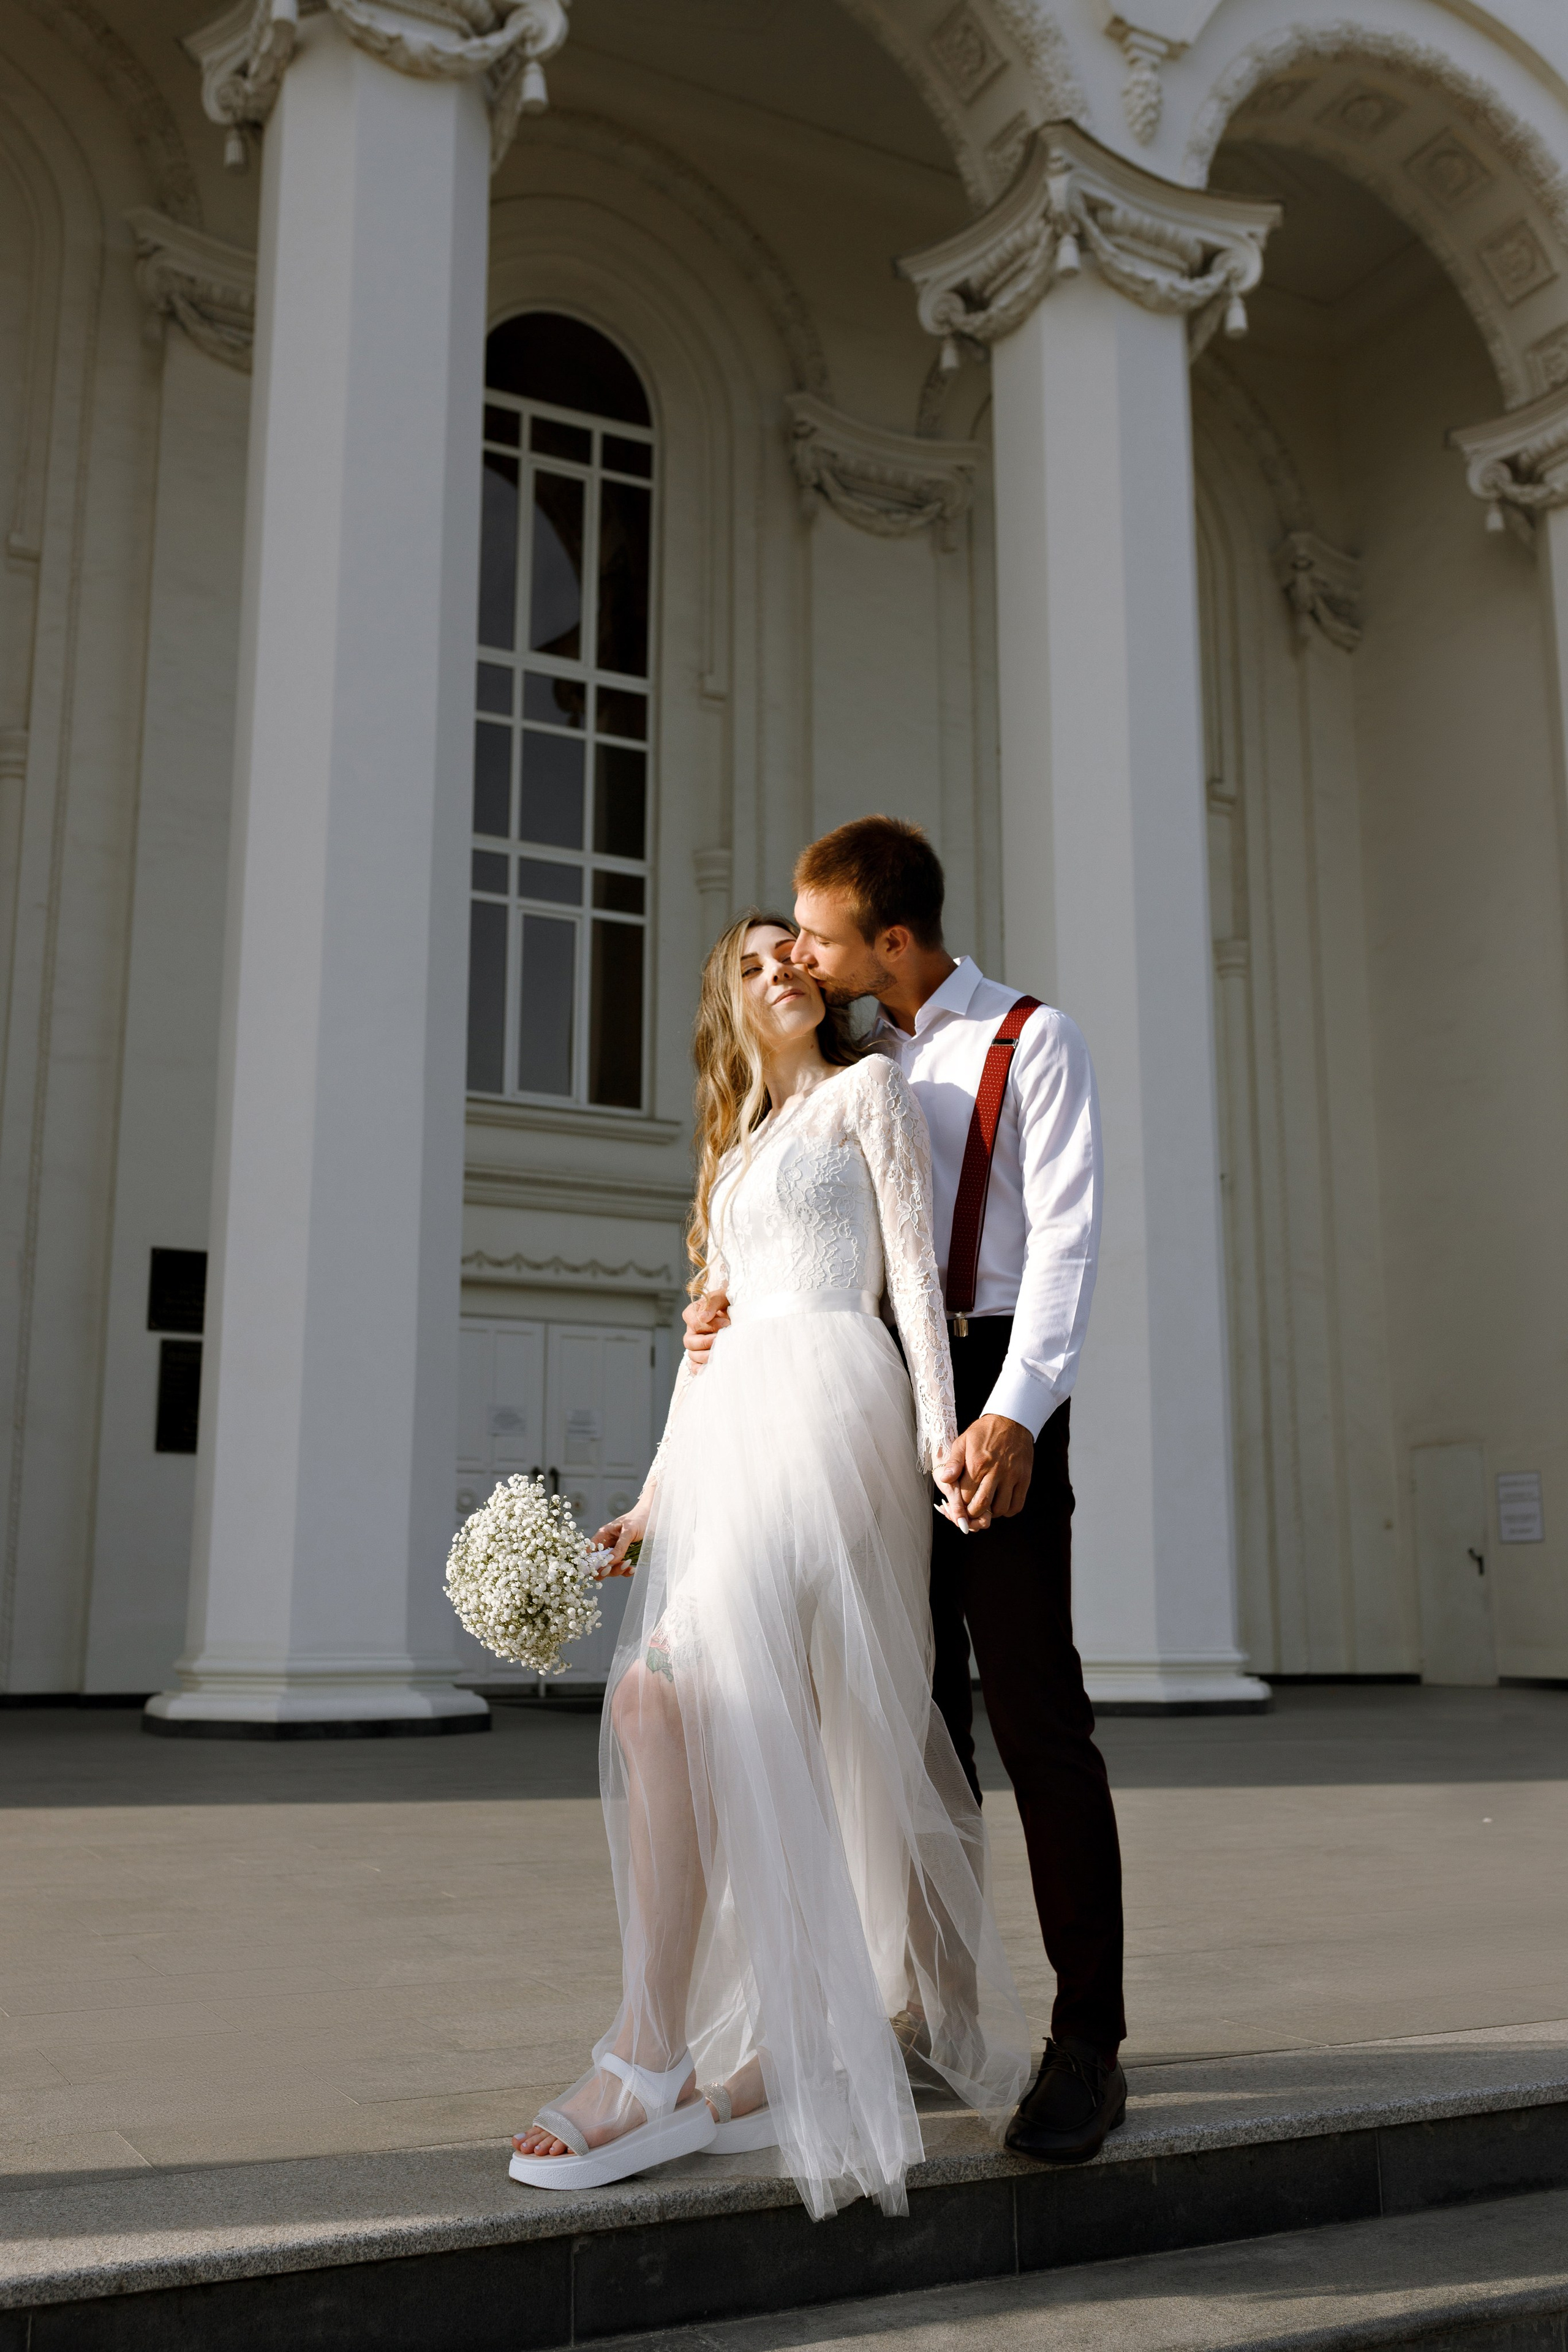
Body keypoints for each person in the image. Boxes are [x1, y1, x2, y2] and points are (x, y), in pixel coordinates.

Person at [510, 913, 1028, 2219]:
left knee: (683, 1698)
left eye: (789, 954)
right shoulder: (732, 1153)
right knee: (675, 1707)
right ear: (729, 1007)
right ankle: (752, 2044)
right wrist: (641, 1504)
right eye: (749, 966)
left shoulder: (871, 1095)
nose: (778, 972)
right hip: (734, 1428)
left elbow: (911, 1282)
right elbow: (707, 1356)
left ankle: (645, 2060)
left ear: (823, 977)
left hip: (837, 1415)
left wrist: (933, 1442)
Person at [684, 820, 1128, 2164]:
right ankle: (929, 2011)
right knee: (902, 1717)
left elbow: (1061, 1243)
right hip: (869, 1389)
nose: (800, 956)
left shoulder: (1029, 1041)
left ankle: (1089, 2043)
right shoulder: (861, 1064)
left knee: (1034, 1711)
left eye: (816, 935)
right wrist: (726, 1304)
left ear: (888, 939)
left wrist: (1012, 1414)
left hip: (990, 1391)